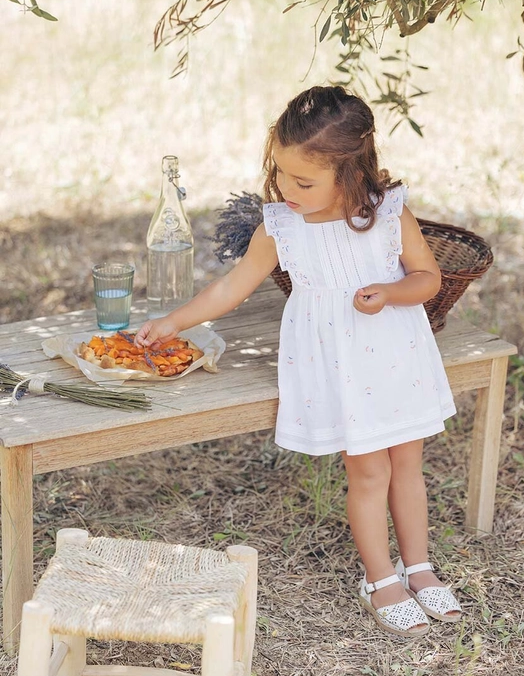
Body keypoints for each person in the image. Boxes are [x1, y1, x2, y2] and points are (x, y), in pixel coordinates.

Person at [135, 85, 462, 638]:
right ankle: (380, 577)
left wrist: (388, 291)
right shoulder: (280, 227)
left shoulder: (389, 215)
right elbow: (230, 289)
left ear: (352, 173)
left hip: (396, 357)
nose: (286, 188)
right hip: (339, 367)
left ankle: (421, 568)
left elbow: (427, 278)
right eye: (280, 173)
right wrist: (174, 322)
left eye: (303, 181)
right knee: (368, 470)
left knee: (407, 464)